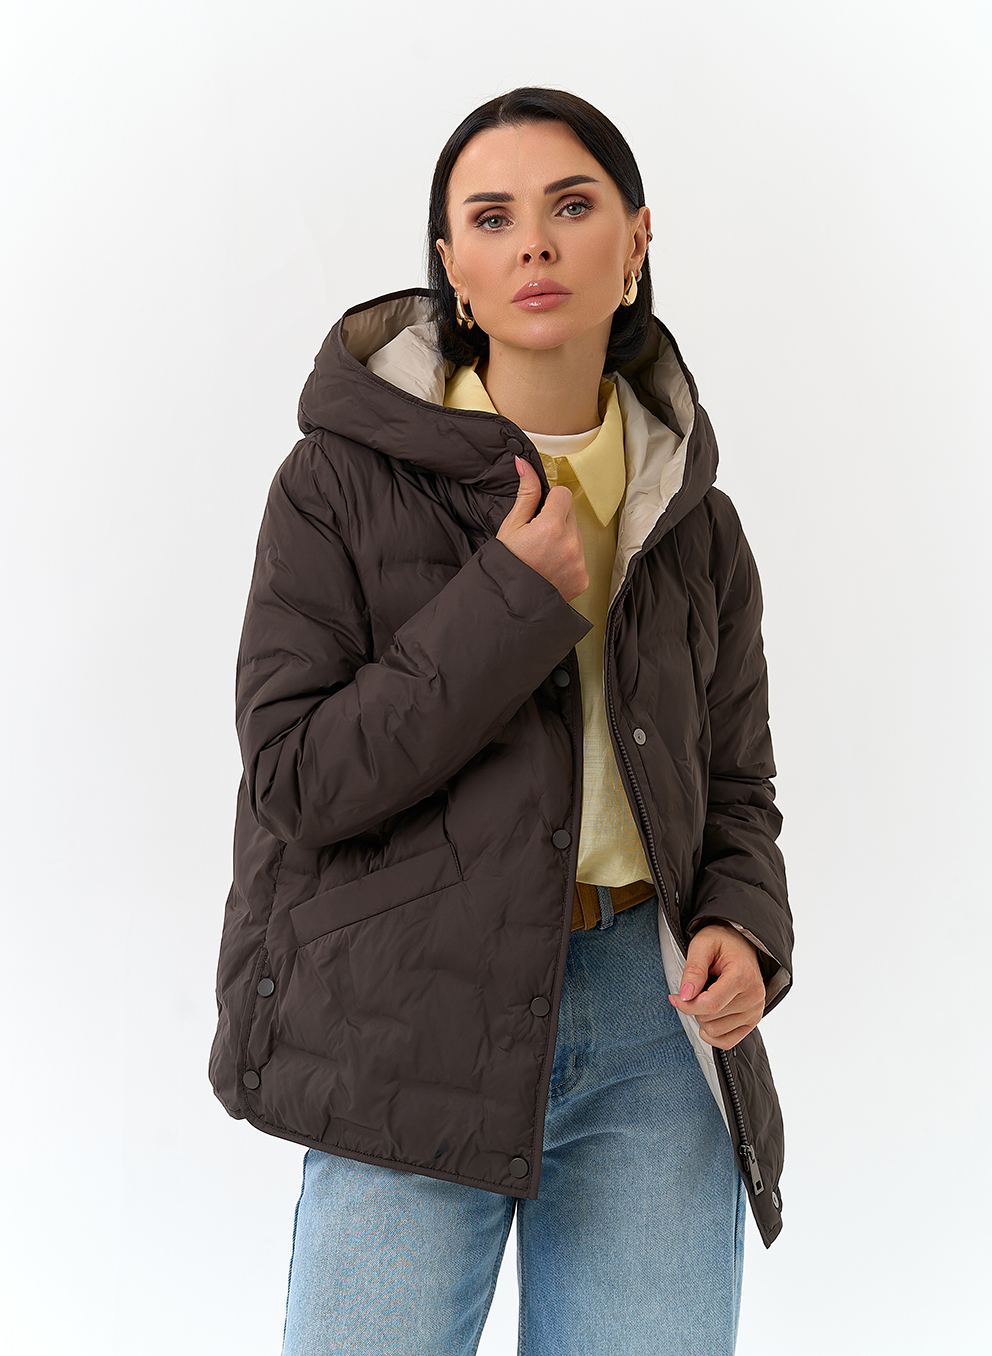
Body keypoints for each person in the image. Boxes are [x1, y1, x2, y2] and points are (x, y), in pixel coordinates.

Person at [209, 87, 793, 1356]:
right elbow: (297, 779)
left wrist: (742, 928)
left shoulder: (693, 520)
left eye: (570, 206)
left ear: (634, 241)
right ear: (453, 271)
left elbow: (736, 790)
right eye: (491, 217)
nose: (532, 242)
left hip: (652, 1029)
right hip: (405, 1020)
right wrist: (503, 606)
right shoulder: (333, 487)